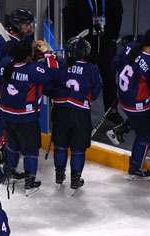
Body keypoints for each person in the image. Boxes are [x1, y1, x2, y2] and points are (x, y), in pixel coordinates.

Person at [0, 39, 59, 195]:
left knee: (13, 146)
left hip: (7, 114)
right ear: (29, 56)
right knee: (31, 150)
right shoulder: (34, 69)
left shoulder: (4, 63)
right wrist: (48, 53)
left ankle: (9, 174)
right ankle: (30, 181)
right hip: (26, 117)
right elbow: (53, 74)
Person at [112, 26, 150, 181]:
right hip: (136, 105)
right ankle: (135, 167)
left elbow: (115, 63)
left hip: (124, 97)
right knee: (145, 135)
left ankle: (123, 127)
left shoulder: (131, 47)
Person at [52, 35, 102, 190]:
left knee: (60, 146)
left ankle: (59, 174)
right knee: (78, 148)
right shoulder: (91, 68)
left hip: (60, 109)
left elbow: (52, 81)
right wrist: (87, 100)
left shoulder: (60, 64)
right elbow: (97, 88)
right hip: (79, 112)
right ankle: (75, 178)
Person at [63, 0, 123, 125]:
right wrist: (72, 46)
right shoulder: (76, 2)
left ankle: (111, 110)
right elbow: (68, 21)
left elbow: (118, 13)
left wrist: (113, 37)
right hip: (84, 47)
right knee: (83, 79)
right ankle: (79, 109)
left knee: (110, 80)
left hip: (107, 46)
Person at [0, 8, 35, 95]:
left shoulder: (24, 37)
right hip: (2, 89)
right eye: (26, 25)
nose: (29, 27)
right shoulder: (2, 42)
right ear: (16, 25)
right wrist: (5, 71)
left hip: (18, 88)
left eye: (29, 24)